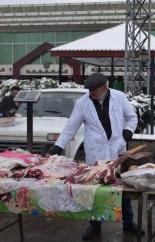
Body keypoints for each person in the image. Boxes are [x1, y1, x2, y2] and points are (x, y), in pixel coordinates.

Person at [46, 72, 142, 241]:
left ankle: (128, 222)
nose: (91, 92)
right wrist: (57, 146)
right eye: (89, 89)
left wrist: (127, 133)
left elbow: (132, 117)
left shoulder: (119, 97)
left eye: (94, 89)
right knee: (94, 190)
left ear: (105, 86)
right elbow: (71, 127)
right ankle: (95, 225)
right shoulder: (82, 103)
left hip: (117, 149)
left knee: (122, 188)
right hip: (96, 152)